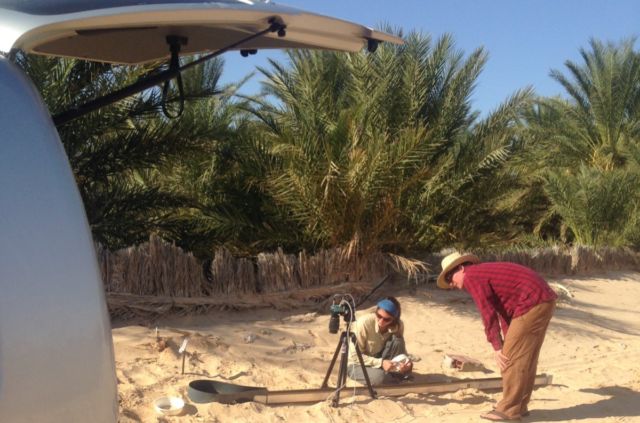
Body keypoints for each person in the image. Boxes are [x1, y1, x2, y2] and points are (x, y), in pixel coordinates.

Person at [437, 252, 557, 421]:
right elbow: (503, 309)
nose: (451, 283)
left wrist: (497, 346)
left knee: (509, 359)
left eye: (450, 276)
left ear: (462, 268)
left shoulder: (472, 276)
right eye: (448, 281)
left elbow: (488, 313)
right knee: (526, 358)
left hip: (532, 302)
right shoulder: (483, 273)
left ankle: (508, 410)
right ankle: (519, 406)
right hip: (542, 300)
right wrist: (505, 340)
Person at [347, 297, 413, 385]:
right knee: (380, 378)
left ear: (394, 319)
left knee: (398, 341)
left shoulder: (398, 325)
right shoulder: (363, 323)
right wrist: (381, 363)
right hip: (358, 364)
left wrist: (405, 362)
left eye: (386, 319)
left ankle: (395, 376)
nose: (381, 321)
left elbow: (399, 348)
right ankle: (393, 378)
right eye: (379, 316)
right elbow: (354, 356)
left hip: (382, 360)